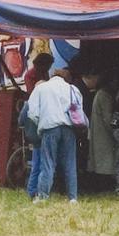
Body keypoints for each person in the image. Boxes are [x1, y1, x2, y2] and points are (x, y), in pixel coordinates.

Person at [26, 68, 86, 204]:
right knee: (70, 163)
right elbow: (79, 109)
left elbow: (32, 113)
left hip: (50, 127)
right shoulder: (72, 89)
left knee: (48, 163)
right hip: (69, 129)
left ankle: (43, 196)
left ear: (52, 76)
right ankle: (73, 197)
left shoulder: (41, 88)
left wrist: (40, 124)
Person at [22, 53, 54, 200]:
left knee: (38, 160)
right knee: (38, 160)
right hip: (38, 117)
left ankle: (33, 189)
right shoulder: (31, 75)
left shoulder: (43, 73)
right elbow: (32, 94)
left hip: (42, 115)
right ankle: (33, 189)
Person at [85, 73, 117, 187]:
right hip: (103, 133)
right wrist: (113, 131)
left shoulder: (99, 94)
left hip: (98, 131)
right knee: (105, 159)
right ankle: (105, 184)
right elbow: (107, 117)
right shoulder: (105, 95)